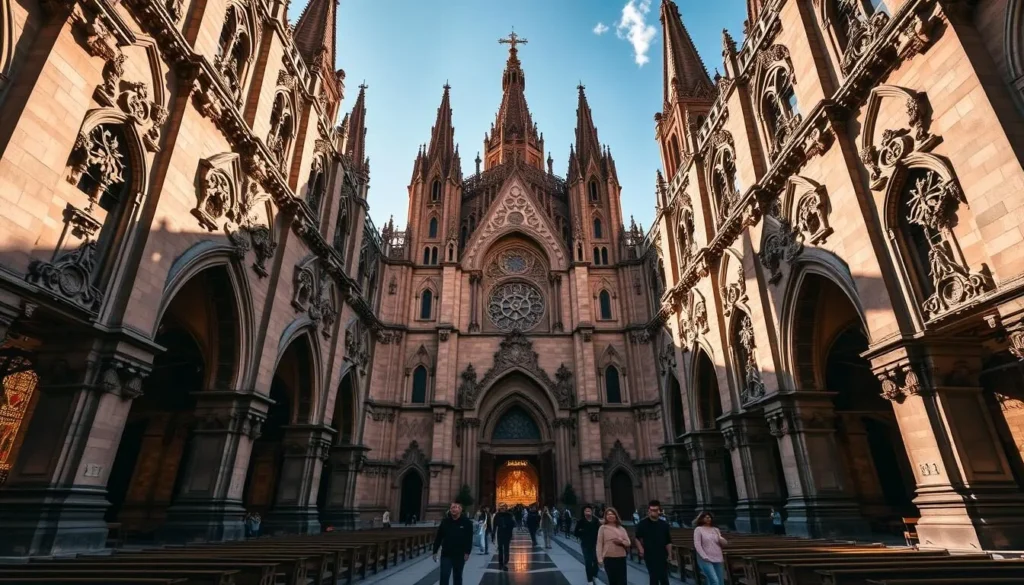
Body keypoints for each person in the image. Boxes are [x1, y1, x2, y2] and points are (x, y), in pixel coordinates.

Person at [432, 502, 474, 585]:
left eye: (456, 507)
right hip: (446, 553)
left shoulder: (467, 522)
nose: (454, 509)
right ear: (450, 510)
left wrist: (467, 552)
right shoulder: (445, 522)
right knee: (444, 575)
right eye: (452, 508)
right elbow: (439, 537)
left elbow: (469, 538)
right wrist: (435, 551)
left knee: (457, 576)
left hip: (460, 554)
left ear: (460, 510)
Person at [635, 500, 672, 585]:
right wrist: (641, 549)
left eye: (656, 510)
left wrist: (670, 554)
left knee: (664, 577)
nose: (654, 512)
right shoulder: (643, 523)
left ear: (659, 511)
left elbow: (668, 541)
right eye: (652, 510)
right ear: (649, 510)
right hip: (649, 554)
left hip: (662, 554)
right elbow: (637, 538)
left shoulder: (664, 524)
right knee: (654, 577)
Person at [597, 507, 630, 585]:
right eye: (608, 514)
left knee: (622, 581)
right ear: (605, 516)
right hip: (608, 557)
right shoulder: (602, 528)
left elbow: (628, 542)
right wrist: (599, 559)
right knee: (612, 580)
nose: (610, 516)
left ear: (616, 516)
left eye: (612, 514)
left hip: (621, 557)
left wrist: (621, 542)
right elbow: (599, 543)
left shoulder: (621, 528)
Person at [693, 511, 728, 585]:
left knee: (720, 581)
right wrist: (704, 556)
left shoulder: (716, 529)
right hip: (705, 558)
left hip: (717, 557)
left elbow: (724, 544)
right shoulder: (698, 529)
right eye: (706, 517)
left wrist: (720, 538)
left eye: (709, 517)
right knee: (714, 580)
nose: (708, 519)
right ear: (701, 518)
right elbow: (697, 544)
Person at [574, 504, 601, 584]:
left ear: (591, 512)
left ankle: (595, 576)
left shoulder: (596, 520)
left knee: (596, 561)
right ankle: (589, 579)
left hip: (595, 544)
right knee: (588, 562)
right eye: (586, 511)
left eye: (589, 510)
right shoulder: (581, 521)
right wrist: (582, 532)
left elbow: (600, 531)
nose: (587, 512)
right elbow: (576, 532)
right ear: (584, 512)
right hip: (585, 544)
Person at [492, 503, 516, 571]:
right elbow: (494, 525)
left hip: (507, 533)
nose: (502, 509)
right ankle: (500, 563)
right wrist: (493, 534)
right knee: (500, 549)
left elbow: (513, 525)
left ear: (506, 508)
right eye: (501, 508)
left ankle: (505, 562)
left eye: (504, 508)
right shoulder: (497, 515)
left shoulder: (509, 515)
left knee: (506, 549)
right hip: (500, 533)